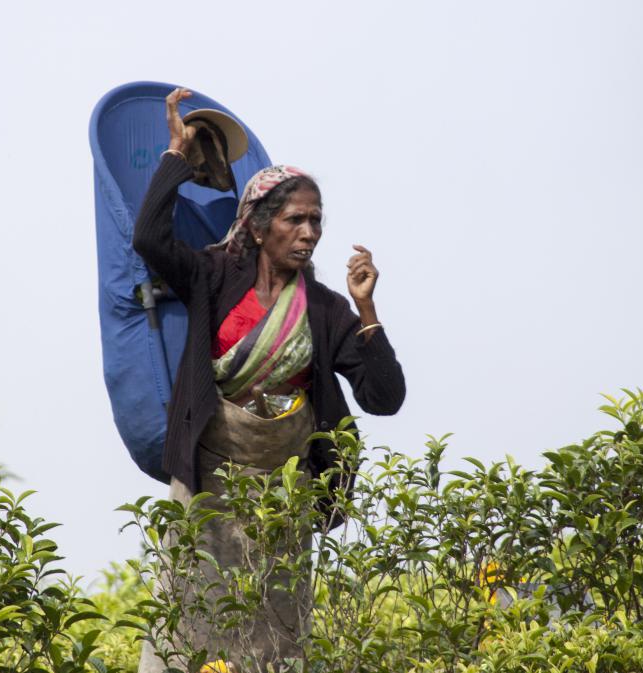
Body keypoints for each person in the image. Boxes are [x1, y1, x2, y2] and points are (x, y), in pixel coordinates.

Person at [132, 88, 406, 672]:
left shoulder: (328, 310)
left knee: (275, 637)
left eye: (316, 221)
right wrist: (175, 157)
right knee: (189, 619)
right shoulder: (211, 274)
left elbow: (385, 399)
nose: (309, 232)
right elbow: (149, 241)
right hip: (208, 480)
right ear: (259, 228)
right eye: (295, 219)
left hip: (283, 498)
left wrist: (367, 310)